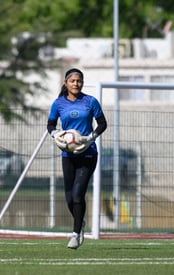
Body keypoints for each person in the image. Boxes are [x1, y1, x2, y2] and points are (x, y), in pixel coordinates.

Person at [47, 68, 107, 249]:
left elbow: (103, 123)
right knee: (69, 198)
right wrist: (56, 134)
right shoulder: (58, 104)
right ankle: (80, 222)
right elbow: (50, 124)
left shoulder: (91, 101)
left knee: (77, 194)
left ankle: (75, 234)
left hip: (88, 153)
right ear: (66, 83)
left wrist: (90, 137)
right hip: (68, 155)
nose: (76, 84)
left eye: (79, 81)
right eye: (72, 81)